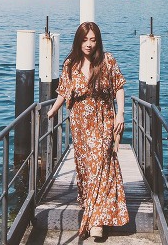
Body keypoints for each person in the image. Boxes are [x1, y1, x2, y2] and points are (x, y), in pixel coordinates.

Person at [47, 21, 129, 241]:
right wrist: (53, 110)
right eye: (85, 39)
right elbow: (64, 91)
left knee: (100, 165)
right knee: (87, 169)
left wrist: (120, 114)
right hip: (80, 124)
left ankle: (96, 222)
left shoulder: (107, 60)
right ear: (78, 40)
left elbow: (118, 86)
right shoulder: (70, 65)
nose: (89, 44)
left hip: (103, 119)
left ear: (98, 41)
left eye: (93, 39)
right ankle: (95, 211)